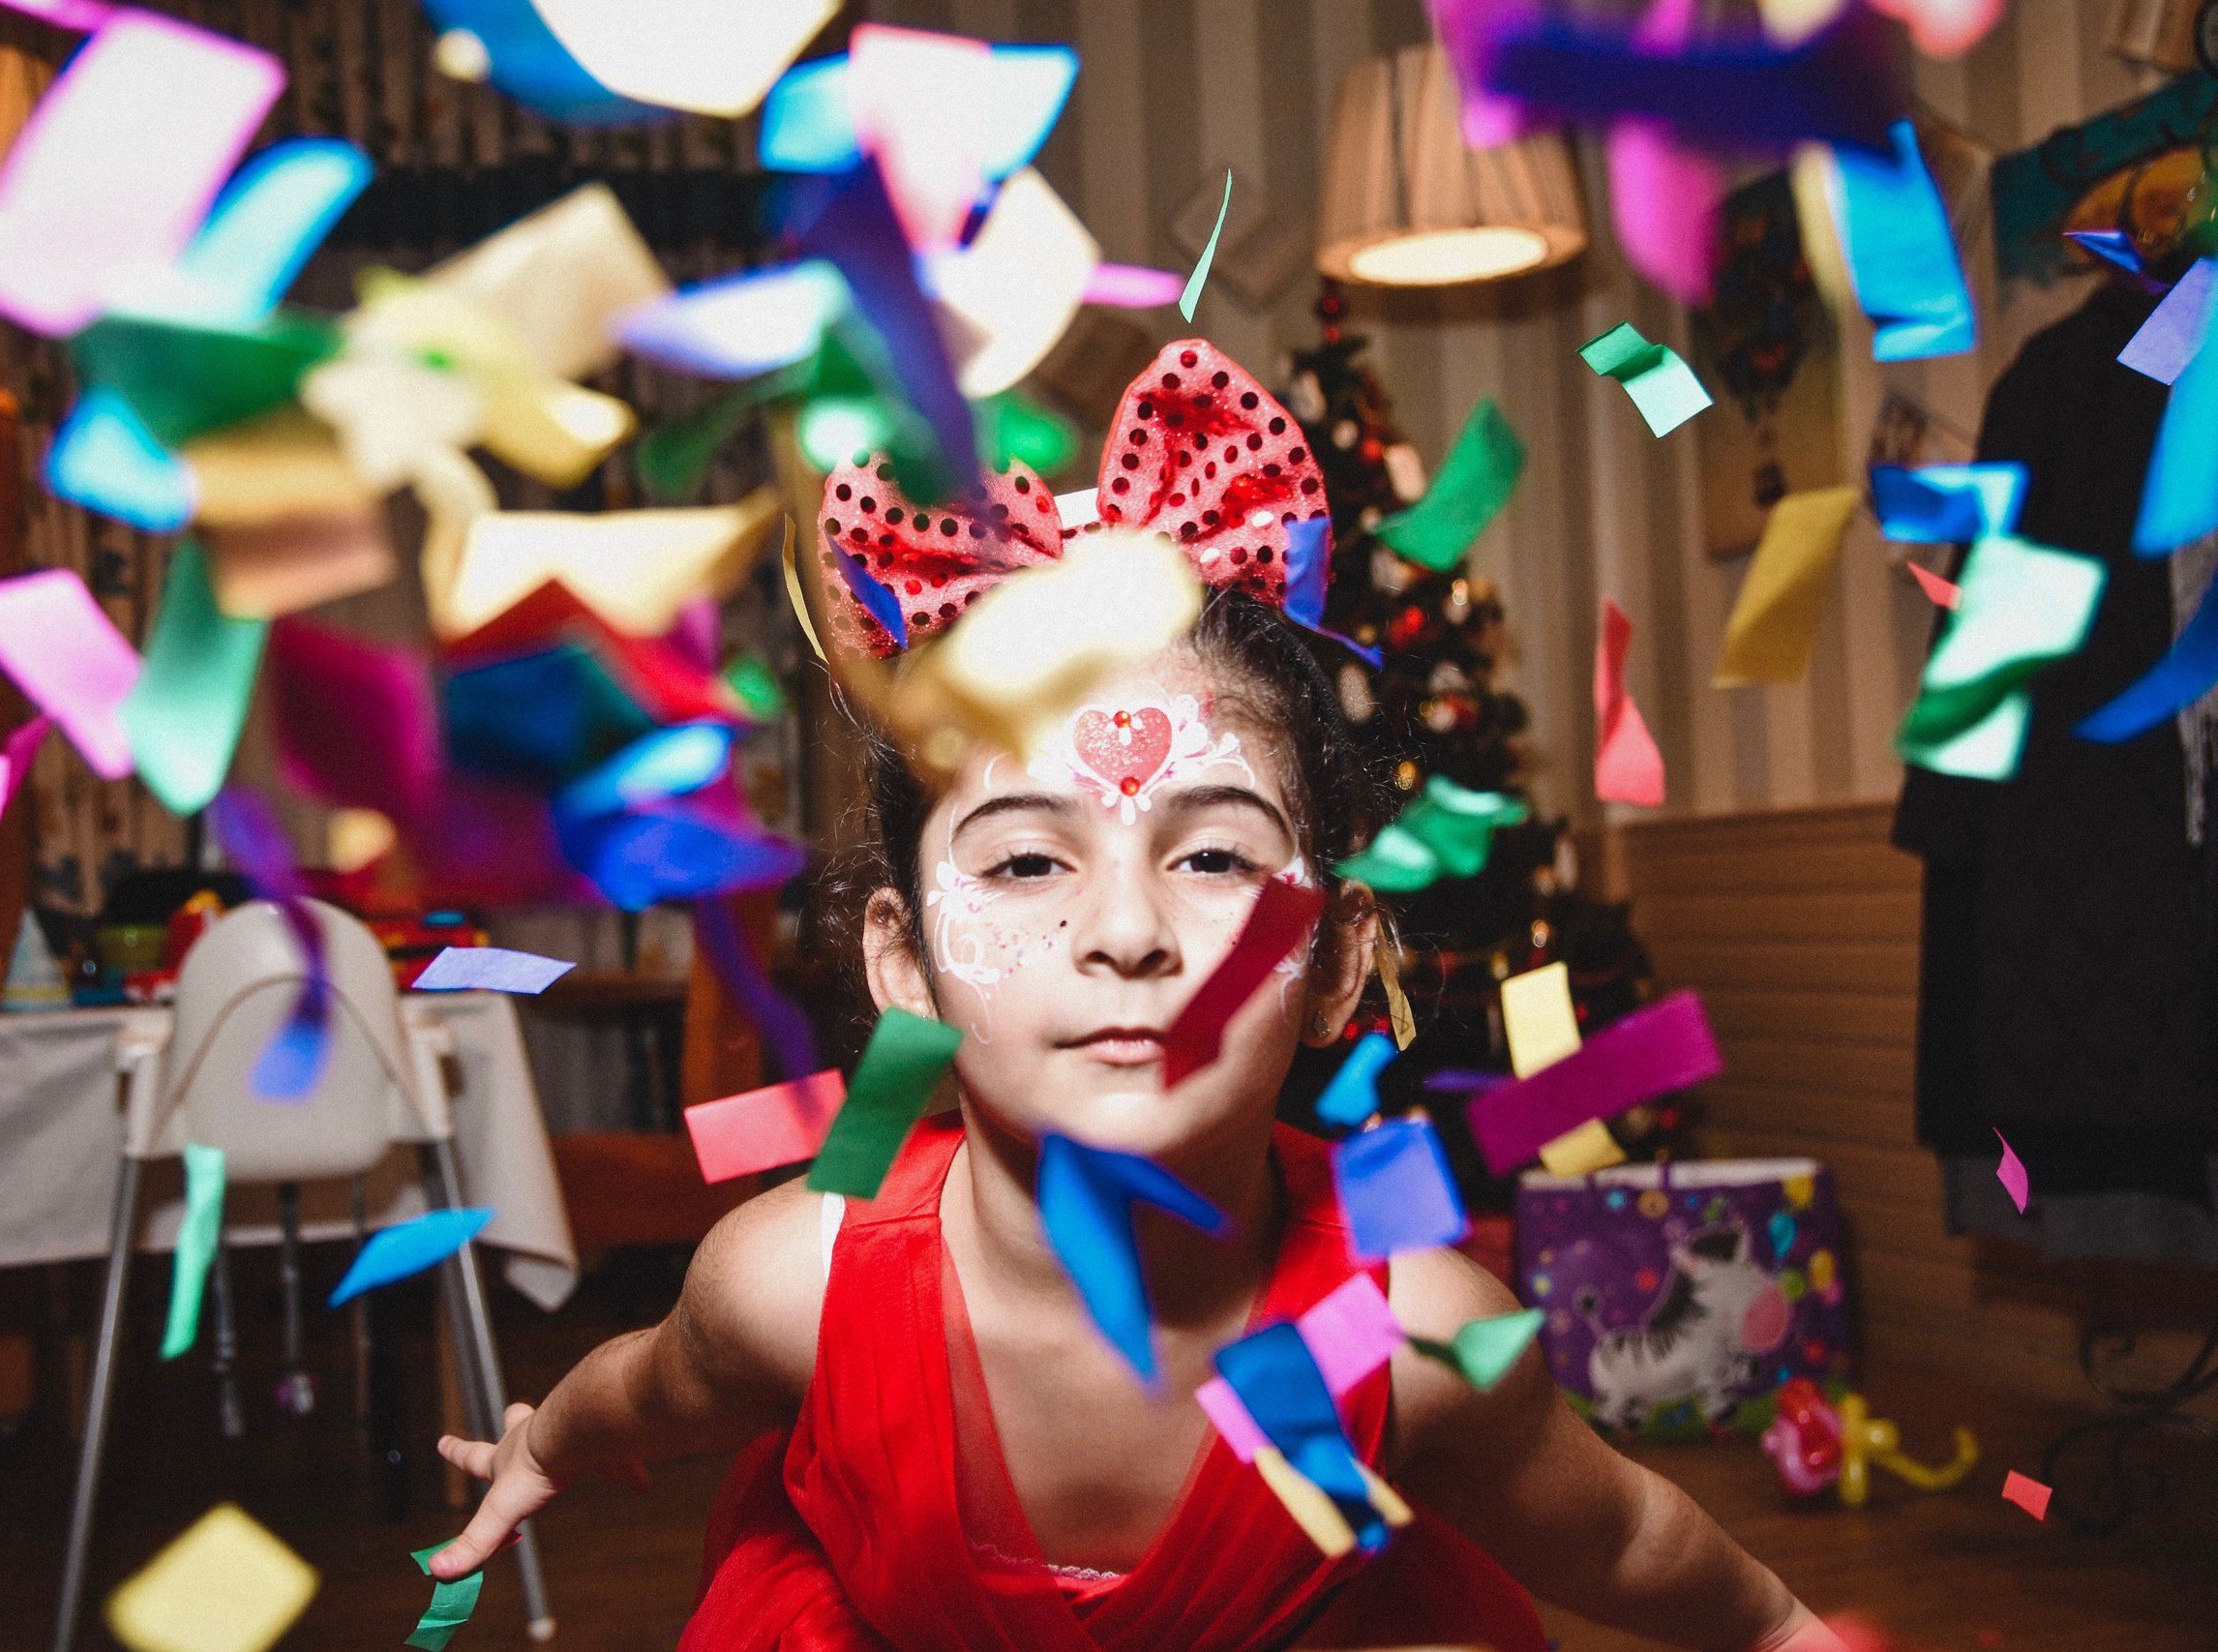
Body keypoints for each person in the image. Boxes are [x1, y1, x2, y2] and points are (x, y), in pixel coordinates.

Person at [430, 344, 1833, 1651]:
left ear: (1339, 960)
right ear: (905, 964)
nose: (1123, 929)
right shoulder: (791, 1282)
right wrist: (543, 1444)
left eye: (1215, 855)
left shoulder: (1418, 1335)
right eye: (1030, 858)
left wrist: (1781, 1628)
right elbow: (653, 1390)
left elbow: (1622, 1533)